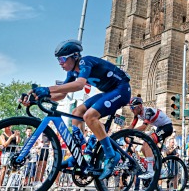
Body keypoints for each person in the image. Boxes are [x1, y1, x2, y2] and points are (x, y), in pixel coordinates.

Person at [25, 39, 131, 181]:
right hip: (108, 92)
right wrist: (38, 97)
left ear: (74, 56)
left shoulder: (84, 62)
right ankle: (80, 155)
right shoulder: (72, 73)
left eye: (62, 59)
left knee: (90, 116)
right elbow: (61, 95)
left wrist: (47, 89)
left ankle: (112, 155)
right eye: (58, 60)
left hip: (122, 89)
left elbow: (80, 85)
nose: (60, 63)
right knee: (77, 112)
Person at [128, 96, 173, 179]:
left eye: (133, 107)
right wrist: (122, 133)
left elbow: (144, 127)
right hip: (159, 127)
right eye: (130, 108)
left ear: (140, 106)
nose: (131, 110)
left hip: (167, 127)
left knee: (147, 142)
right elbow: (131, 126)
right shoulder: (137, 114)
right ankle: (159, 168)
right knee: (143, 149)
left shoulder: (148, 111)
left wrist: (131, 132)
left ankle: (150, 171)